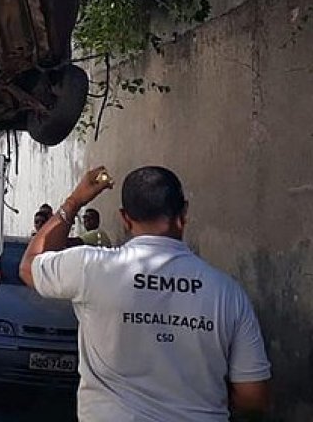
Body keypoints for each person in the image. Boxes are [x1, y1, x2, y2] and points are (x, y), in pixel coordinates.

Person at [19, 165, 271, 421]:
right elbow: (253, 398)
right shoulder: (228, 293)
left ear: (125, 218)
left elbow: (29, 266)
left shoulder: (92, 268)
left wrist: (74, 201)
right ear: (183, 214)